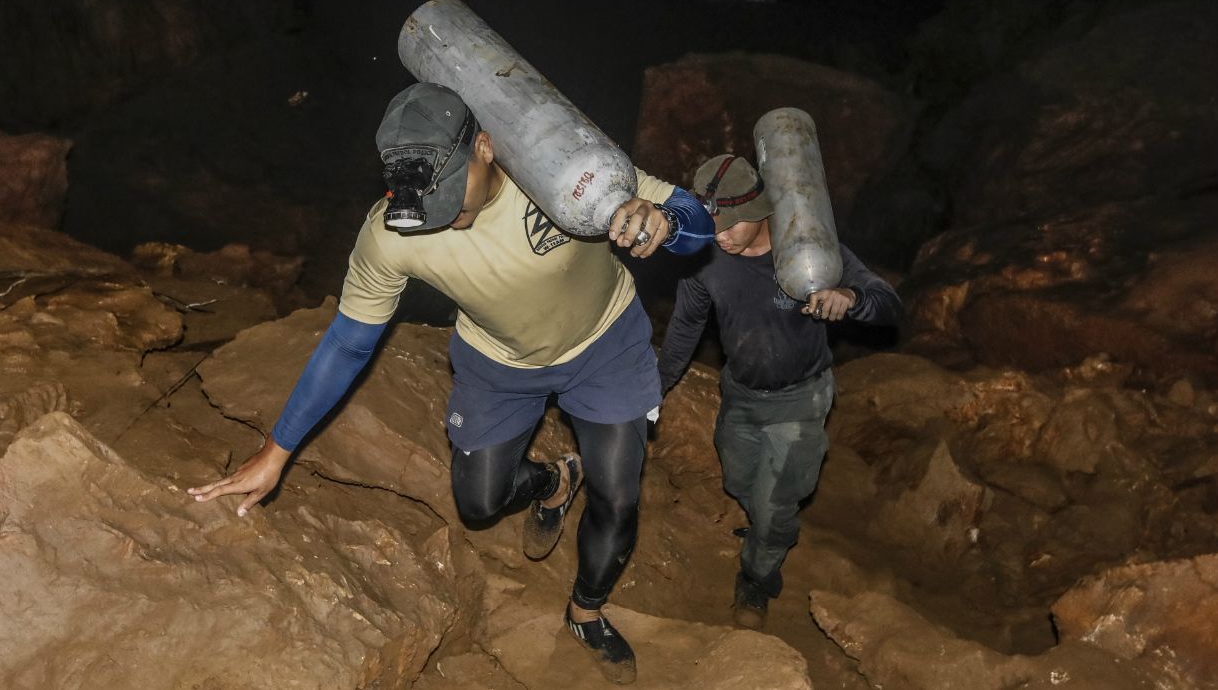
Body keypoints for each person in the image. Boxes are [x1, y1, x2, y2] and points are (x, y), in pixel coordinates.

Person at [189, 82, 712, 685]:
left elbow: (699, 226)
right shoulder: (393, 229)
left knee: (618, 498)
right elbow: (348, 342)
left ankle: (584, 611)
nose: (444, 219)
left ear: (485, 147)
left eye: (452, 197)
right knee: (479, 502)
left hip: (605, 345)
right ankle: (554, 478)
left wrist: (664, 220)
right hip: (498, 361)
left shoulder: (565, 166)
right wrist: (276, 451)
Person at [656, 153, 901, 629]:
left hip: (800, 401)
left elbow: (889, 303)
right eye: (711, 225)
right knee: (740, 483)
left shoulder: (810, 250)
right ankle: (766, 527)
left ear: (758, 211)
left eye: (728, 225)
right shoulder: (706, 256)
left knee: (774, 508)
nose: (719, 235)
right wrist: (656, 386)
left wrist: (851, 299)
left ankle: (757, 577)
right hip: (741, 393)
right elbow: (686, 324)